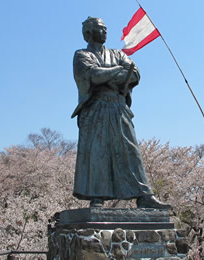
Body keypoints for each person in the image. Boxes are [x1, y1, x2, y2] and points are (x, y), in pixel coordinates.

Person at [71, 16, 170, 209]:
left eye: (106, 28)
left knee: (130, 149)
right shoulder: (82, 54)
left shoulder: (117, 53)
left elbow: (134, 74)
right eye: (101, 28)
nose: (105, 31)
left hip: (118, 107)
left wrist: (107, 75)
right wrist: (117, 71)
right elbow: (92, 75)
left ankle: (143, 195)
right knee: (98, 152)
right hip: (95, 108)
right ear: (88, 33)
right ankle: (97, 196)